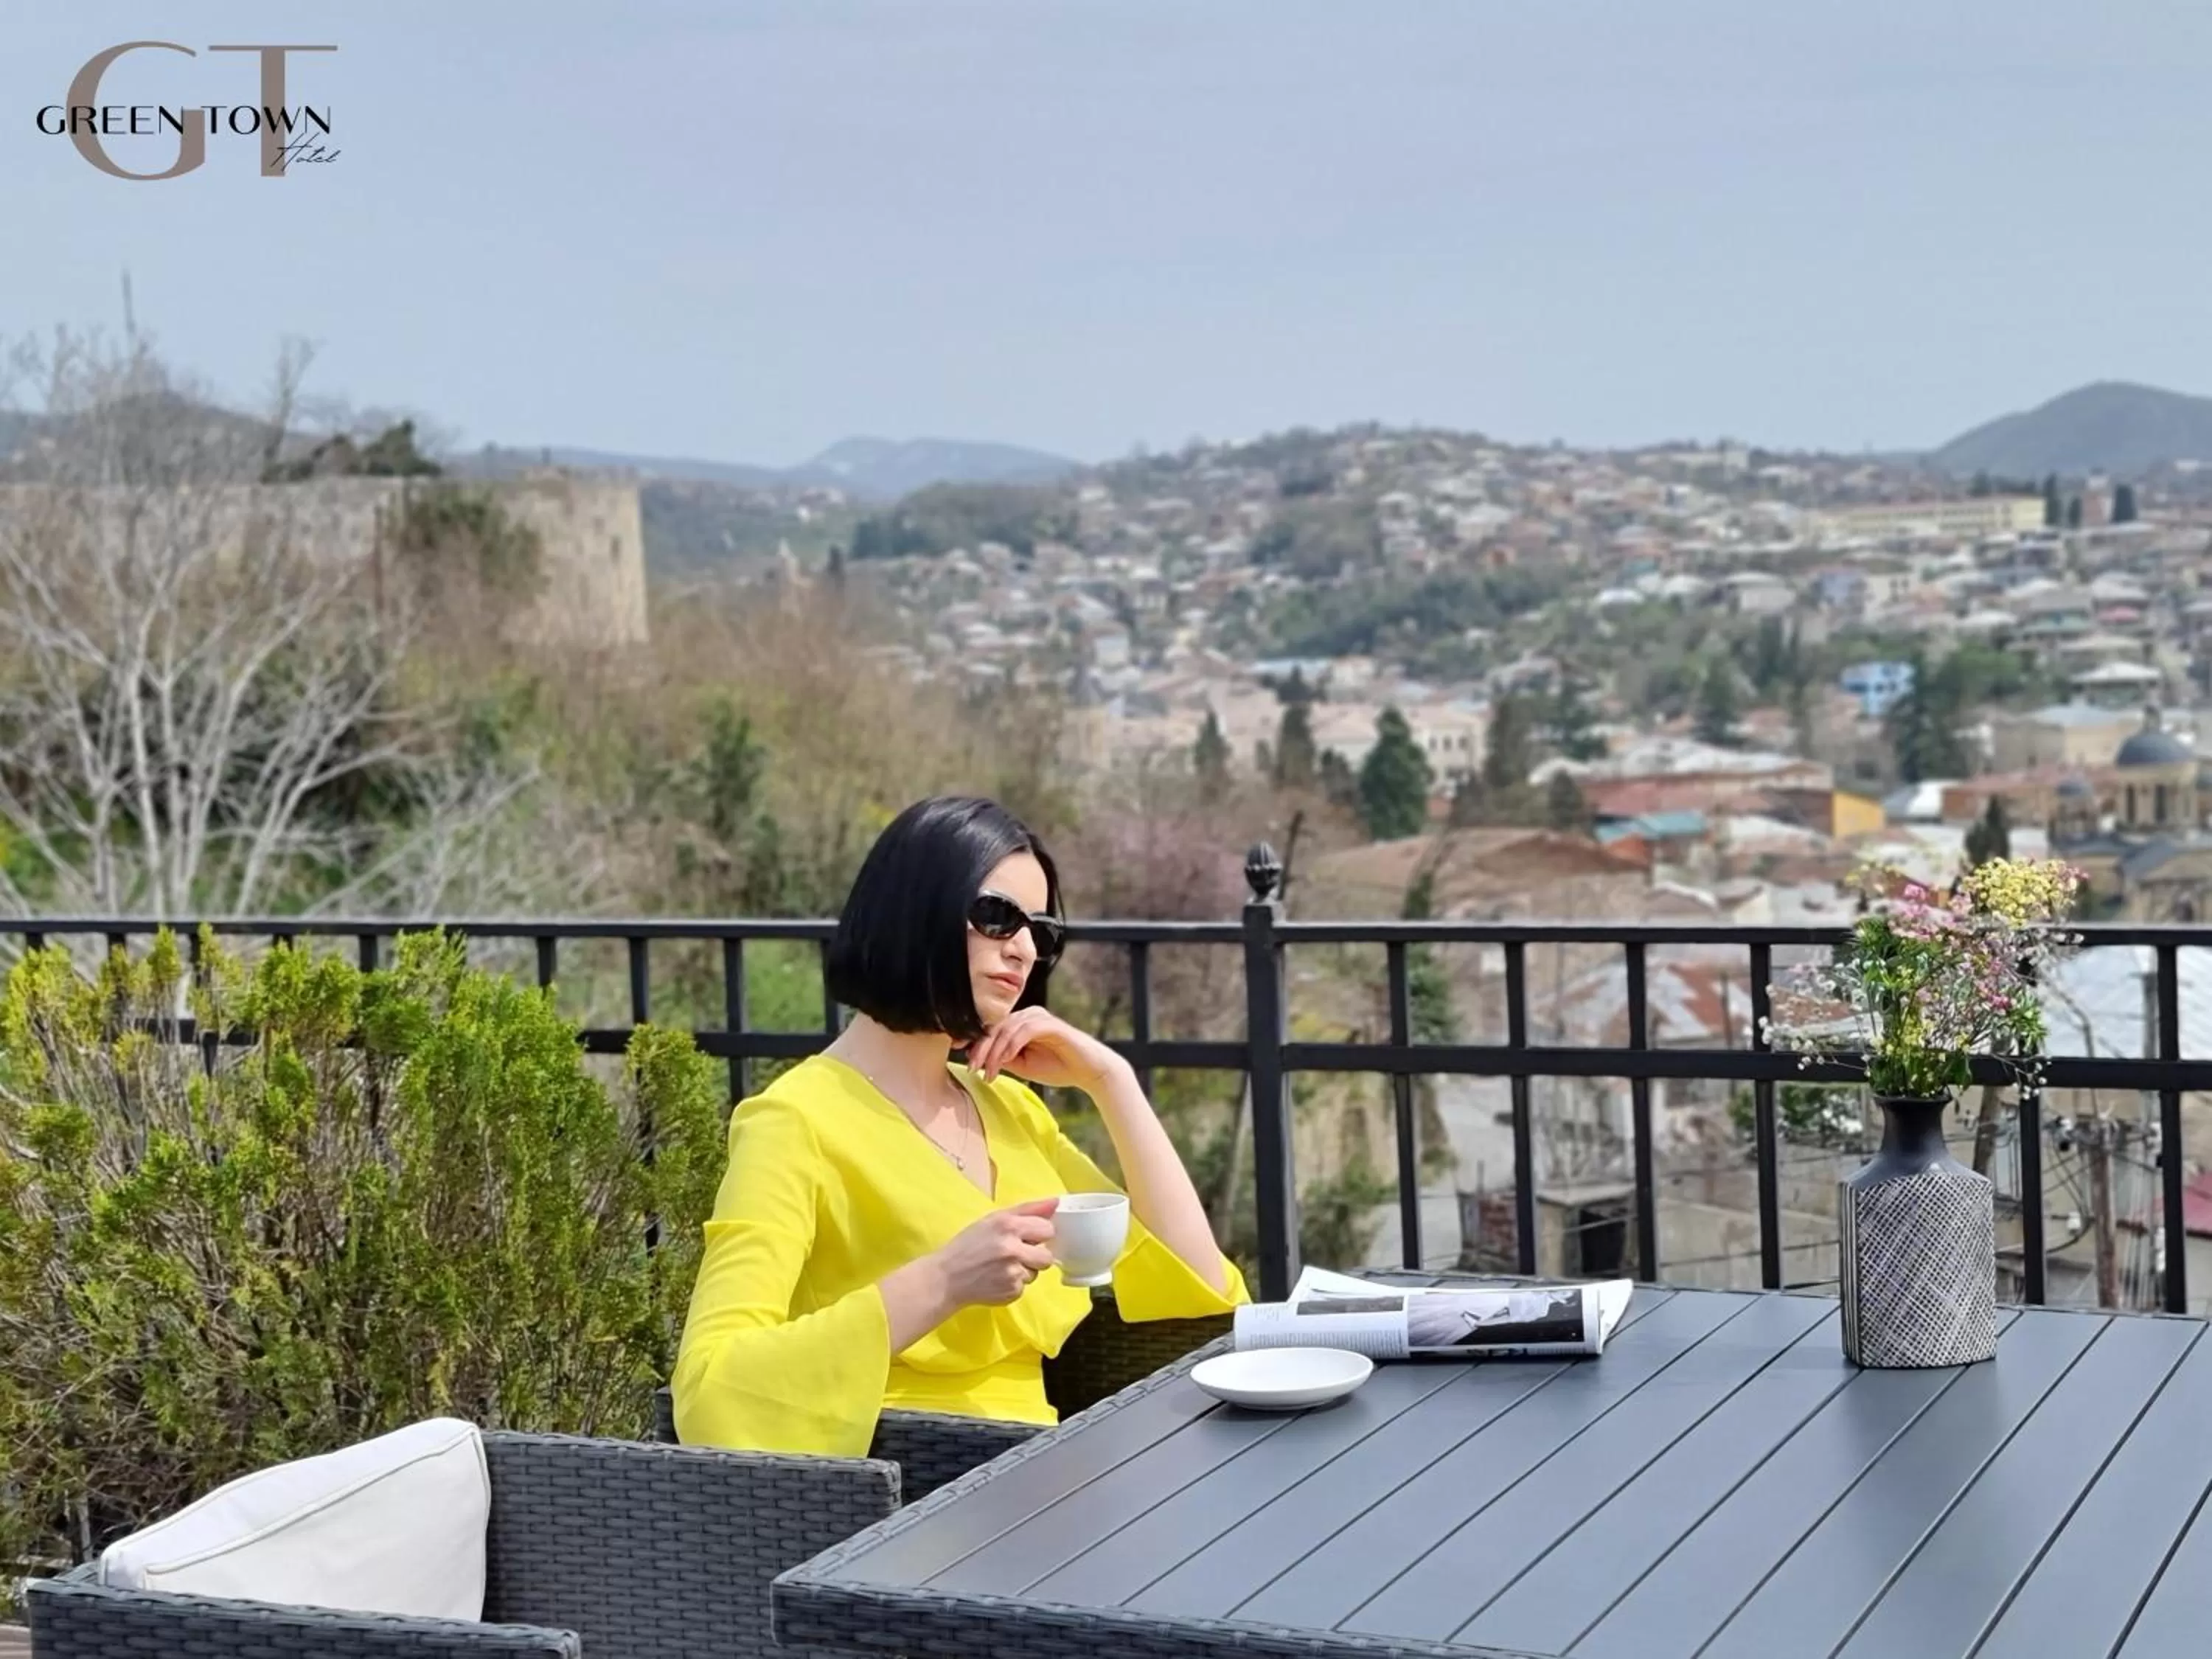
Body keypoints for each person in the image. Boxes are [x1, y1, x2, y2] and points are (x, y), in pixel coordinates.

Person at [672, 795, 1248, 1456]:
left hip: (1046, 1477)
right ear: (914, 910)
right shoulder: (793, 1120)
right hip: (900, 1493)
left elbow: (1198, 1289)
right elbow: (711, 1391)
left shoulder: (1008, 1105)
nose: (1026, 949)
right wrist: (944, 1280)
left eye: (1042, 932)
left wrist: (1110, 1081)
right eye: (999, 917)